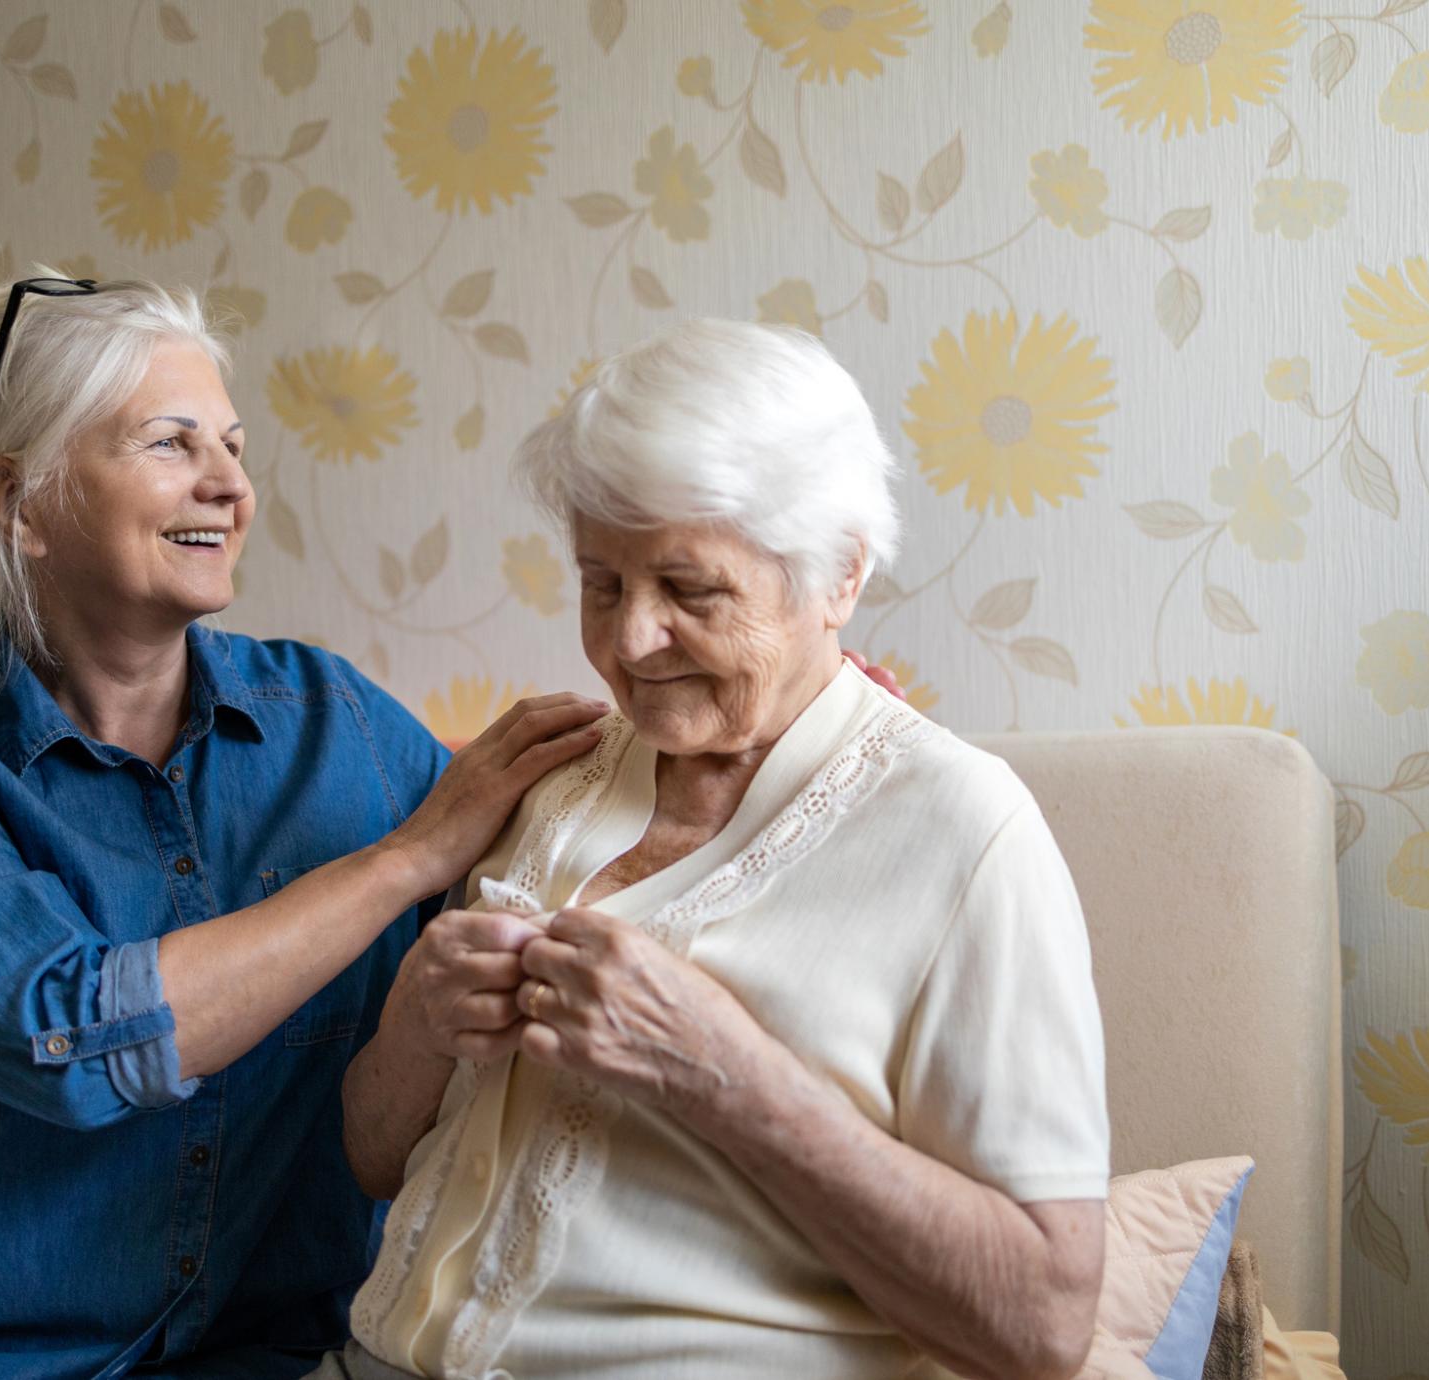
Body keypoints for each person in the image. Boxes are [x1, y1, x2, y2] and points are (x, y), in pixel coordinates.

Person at [0, 263, 611, 1379]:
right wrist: (399, 863)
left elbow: (573, 846)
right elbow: (73, 1042)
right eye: (171, 443)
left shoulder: (335, 723)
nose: (230, 486)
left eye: (233, 446)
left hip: (294, 1360)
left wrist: (781, 736)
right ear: (21, 503)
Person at [316, 320, 1112, 1380]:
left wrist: (723, 1075)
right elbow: (373, 1163)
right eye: (600, 583)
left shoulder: (963, 831)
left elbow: (1043, 1325)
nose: (629, 640)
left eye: (690, 592)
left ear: (836, 580)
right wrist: (417, 1013)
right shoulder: (543, 773)